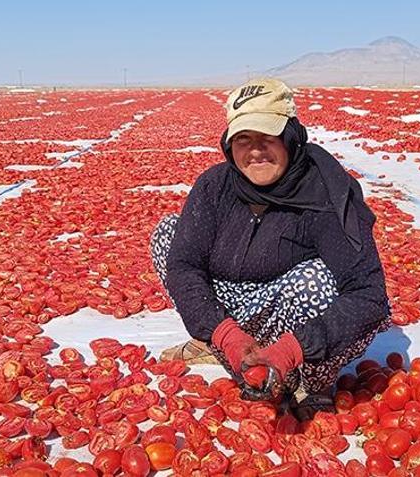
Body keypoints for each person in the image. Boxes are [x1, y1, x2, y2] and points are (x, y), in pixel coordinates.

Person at [150, 78, 390, 419]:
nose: (255, 151)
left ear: (291, 137)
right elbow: (184, 265)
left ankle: (311, 383)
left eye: (268, 137)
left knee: (315, 281)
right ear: (229, 144)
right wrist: (224, 334)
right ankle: (216, 347)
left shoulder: (325, 194)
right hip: (231, 308)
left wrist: (293, 348)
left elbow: (368, 294)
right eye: (243, 139)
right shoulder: (214, 186)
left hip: (292, 320)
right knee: (169, 234)